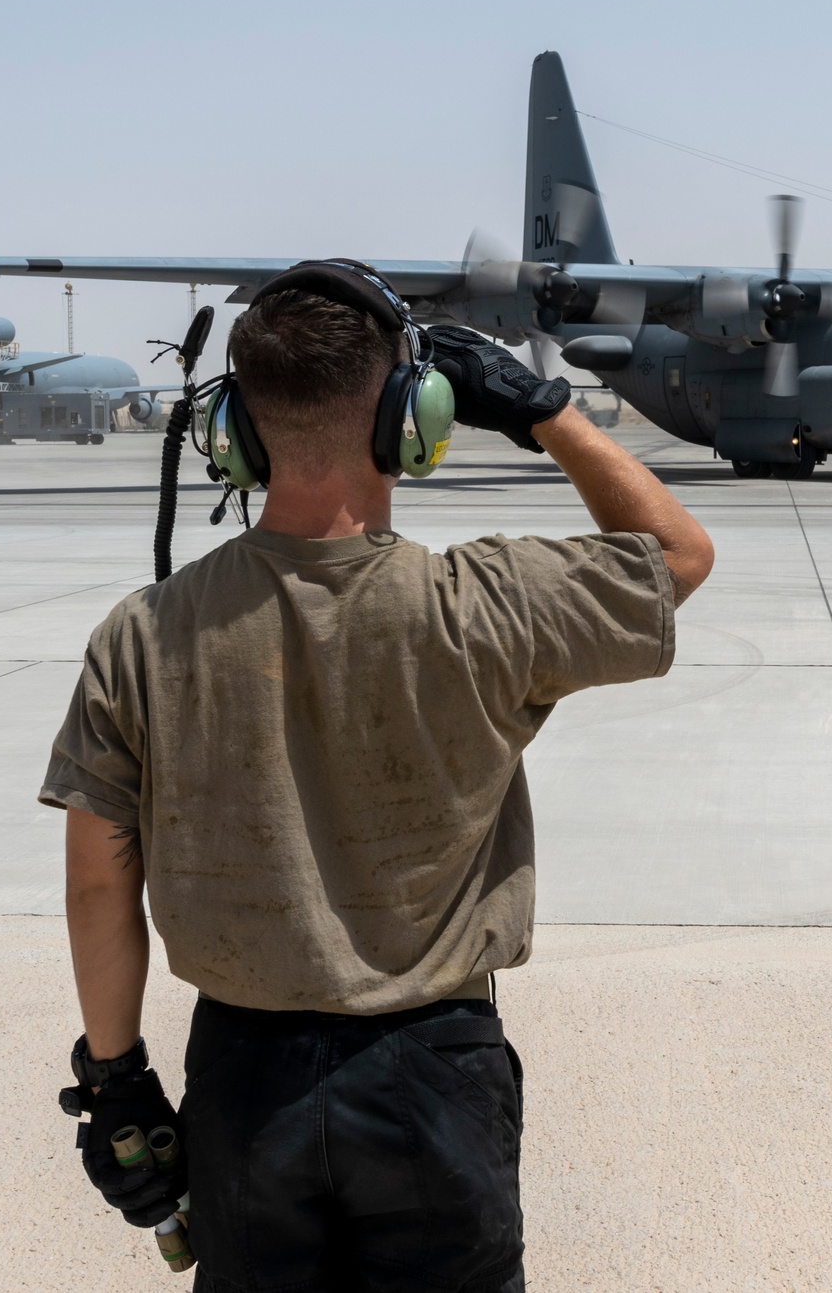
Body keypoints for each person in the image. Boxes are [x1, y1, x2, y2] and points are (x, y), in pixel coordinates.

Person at [40, 261, 714, 1292]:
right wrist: (543, 412)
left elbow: (97, 882)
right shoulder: (489, 602)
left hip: (243, 1079)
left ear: (240, 431)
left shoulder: (142, 633)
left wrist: (116, 1080)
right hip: (433, 1077)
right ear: (416, 418)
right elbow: (676, 553)